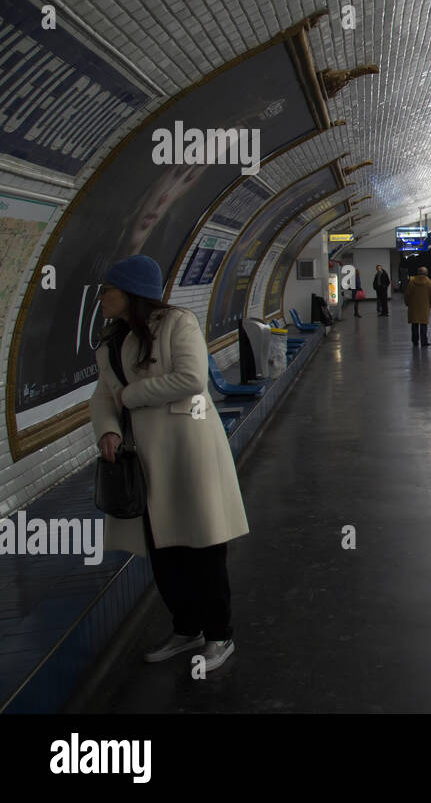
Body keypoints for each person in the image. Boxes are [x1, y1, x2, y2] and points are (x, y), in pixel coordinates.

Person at [89, 255, 249, 671]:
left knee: (203, 545)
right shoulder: (110, 340)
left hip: (186, 447)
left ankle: (219, 635)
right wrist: (107, 427)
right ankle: (186, 628)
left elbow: (191, 379)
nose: (101, 298)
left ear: (129, 292)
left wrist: (130, 398)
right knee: (161, 547)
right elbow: (104, 393)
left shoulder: (178, 323)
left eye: (107, 290)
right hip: (141, 455)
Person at [406, 265, 431, 346]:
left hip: (413, 307)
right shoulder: (430, 283)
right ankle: (424, 341)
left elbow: (407, 294)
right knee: (424, 324)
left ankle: (415, 341)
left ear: (417, 273)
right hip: (425, 306)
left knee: (414, 324)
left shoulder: (411, 282)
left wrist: (407, 303)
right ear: (426, 273)